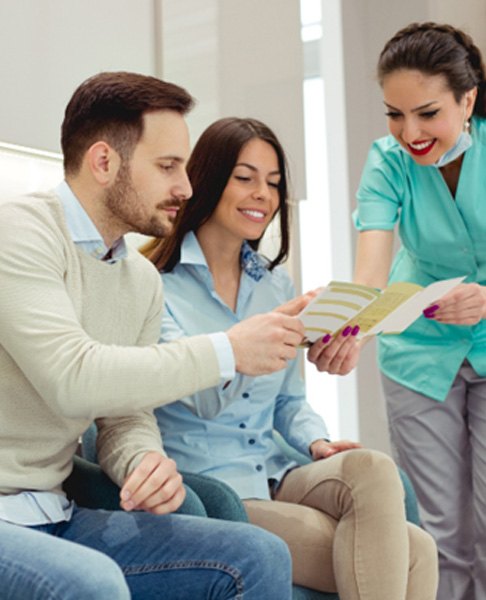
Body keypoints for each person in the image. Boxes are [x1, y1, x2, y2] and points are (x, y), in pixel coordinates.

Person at [0, 71, 303, 599]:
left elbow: (123, 414)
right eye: (167, 167)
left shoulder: (138, 279)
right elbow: (74, 377)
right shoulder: (21, 234)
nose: (185, 188)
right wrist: (227, 350)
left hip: (54, 512)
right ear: (103, 162)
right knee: (92, 584)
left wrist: (141, 459)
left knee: (256, 555)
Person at [142, 116, 438, 600]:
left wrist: (316, 441)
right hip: (215, 488)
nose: (263, 193)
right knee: (415, 553)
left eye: (274, 183)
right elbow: (201, 401)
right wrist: (255, 338)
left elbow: (289, 402)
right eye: (245, 178)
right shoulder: (155, 284)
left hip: (278, 469)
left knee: (374, 469)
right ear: (208, 179)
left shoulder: (274, 284)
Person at [352, 22, 486, 600]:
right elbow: (369, 276)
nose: (409, 133)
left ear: (468, 99)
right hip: (417, 351)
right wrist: (347, 331)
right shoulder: (387, 161)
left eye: (427, 113)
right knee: (441, 534)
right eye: (394, 114)